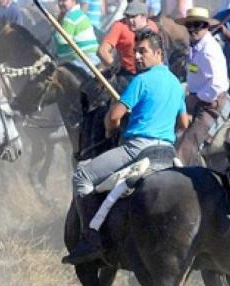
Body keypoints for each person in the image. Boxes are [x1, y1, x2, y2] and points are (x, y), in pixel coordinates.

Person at [66, 30, 188, 265]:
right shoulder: (175, 83)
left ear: (158, 53)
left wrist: (111, 130)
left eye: (143, 51)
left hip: (138, 149)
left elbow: (114, 116)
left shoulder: (141, 80)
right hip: (168, 152)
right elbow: (183, 123)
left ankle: (91, 240)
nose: (138, 57)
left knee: (82, 175)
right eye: (135, 52)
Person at [175, 7, 230, 165]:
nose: (193, 29)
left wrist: (196, 98)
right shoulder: (196, 46)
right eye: (189, 25)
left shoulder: (209, 51)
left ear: (206, 26)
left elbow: (217, 85)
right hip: (196, 98)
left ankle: (179, 165)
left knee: (189, 142)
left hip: (211, 104)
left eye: (197, 25)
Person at [98, 0, 159, 75]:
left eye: (133, 16)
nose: (130, 20)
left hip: (151, 73)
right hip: (128, 75)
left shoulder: (153, 26)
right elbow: (102, 51)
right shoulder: (119, 26)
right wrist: (116, 68)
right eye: (129, 16)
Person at [54, 0, 100, 68]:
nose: (60, 3)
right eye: (59, 0)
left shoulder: (71, 17)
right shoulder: (78, 13)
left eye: (64, 0)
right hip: (91, 57)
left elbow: (61, 40)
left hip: (84, 58)